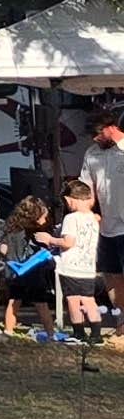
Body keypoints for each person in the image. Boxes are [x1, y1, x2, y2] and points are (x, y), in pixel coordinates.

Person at [0, 189, 65, 336]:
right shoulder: (35, 233)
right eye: (43, 215)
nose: (45, 218)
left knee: (14, 301)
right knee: (41, 304)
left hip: (14, 271)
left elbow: (3, 249)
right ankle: (50, 333)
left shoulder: (10, 228)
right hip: (33, 272)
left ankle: (8, 330)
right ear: (35, 216)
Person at [59, 179, 107, 339]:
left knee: (73, 300)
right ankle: (96, 334)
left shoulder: (71, 219)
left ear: (69, 199)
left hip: (71, 267)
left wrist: (50, 240)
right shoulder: (93, 219)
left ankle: (78, 333)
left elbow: (68, 242)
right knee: (88, 300)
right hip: (88, 268)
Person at [83, 112, 124, 297]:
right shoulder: (92, 153)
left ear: (111, 127)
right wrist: (86, 211)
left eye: (98, 133)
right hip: (107, 226)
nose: (94, 138)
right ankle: (122, 320)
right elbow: (86, 189)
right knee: (112, 276)